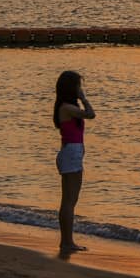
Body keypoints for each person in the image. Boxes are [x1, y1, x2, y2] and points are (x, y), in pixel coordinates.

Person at [53, 70, 95, 256]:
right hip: (70, 153)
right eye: (78, 85)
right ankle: (67, 242)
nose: (80, 88)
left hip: (71, 153)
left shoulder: (66, 107)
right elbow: (91, 114)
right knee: (69, 201)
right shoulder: (66, 108)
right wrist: (84, 98)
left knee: (71, 200)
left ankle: (67, 241)